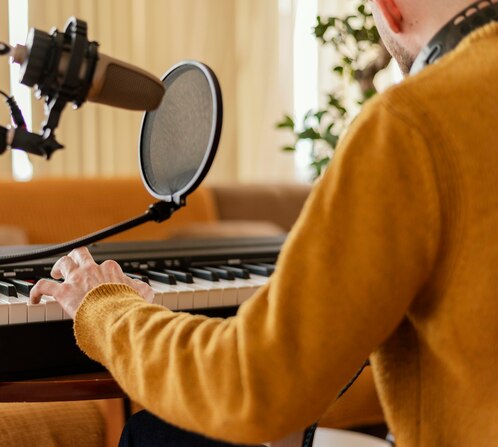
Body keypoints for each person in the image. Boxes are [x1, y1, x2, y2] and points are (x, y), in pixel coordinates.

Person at [30, 0, 498, 445]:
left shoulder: (413, 123)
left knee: (159, 438)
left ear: (390, 8)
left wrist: (105, 307)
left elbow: (255, 388)